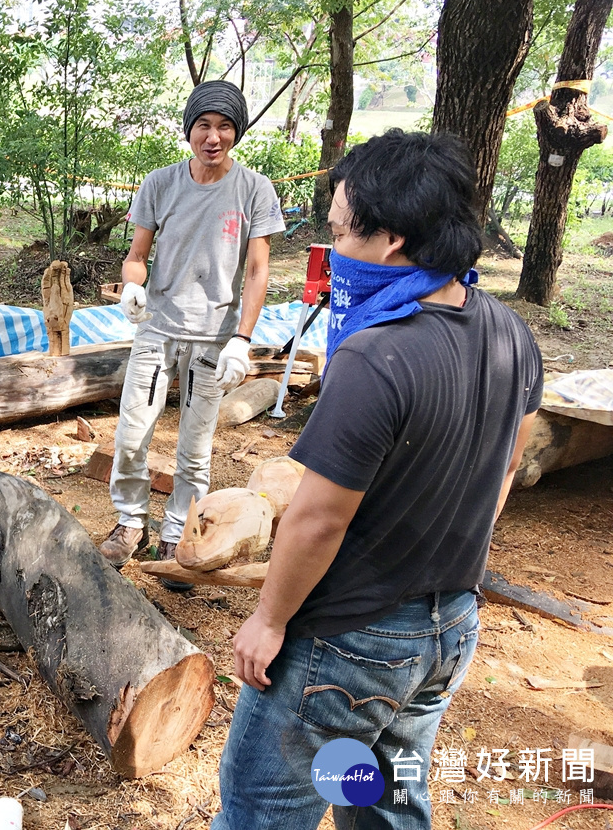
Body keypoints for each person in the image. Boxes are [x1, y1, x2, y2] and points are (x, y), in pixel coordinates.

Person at [211, 129, 543, 830]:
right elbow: (510, 464)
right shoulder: (511, 333)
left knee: (263, 813)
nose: (331, 253)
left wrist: (269, 621)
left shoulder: (377, 356)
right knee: (381, 803)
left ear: (389, 240)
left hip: (348, 646)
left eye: (338, 234)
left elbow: (319, 517)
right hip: (449, 628)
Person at [101, 80, 285, 585]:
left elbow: (256, 271)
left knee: (195, 446)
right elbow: (136, 256)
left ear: (236, 133)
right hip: (157, 328)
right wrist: (132, 288)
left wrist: (242, 339)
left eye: (225, 126)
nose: (213, 136)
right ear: (189, 131)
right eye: (203, 125)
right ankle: (130, 522)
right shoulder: (160, 184)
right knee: (133, 433)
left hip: (214, 337)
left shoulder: (254, 190)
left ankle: (181, 530)